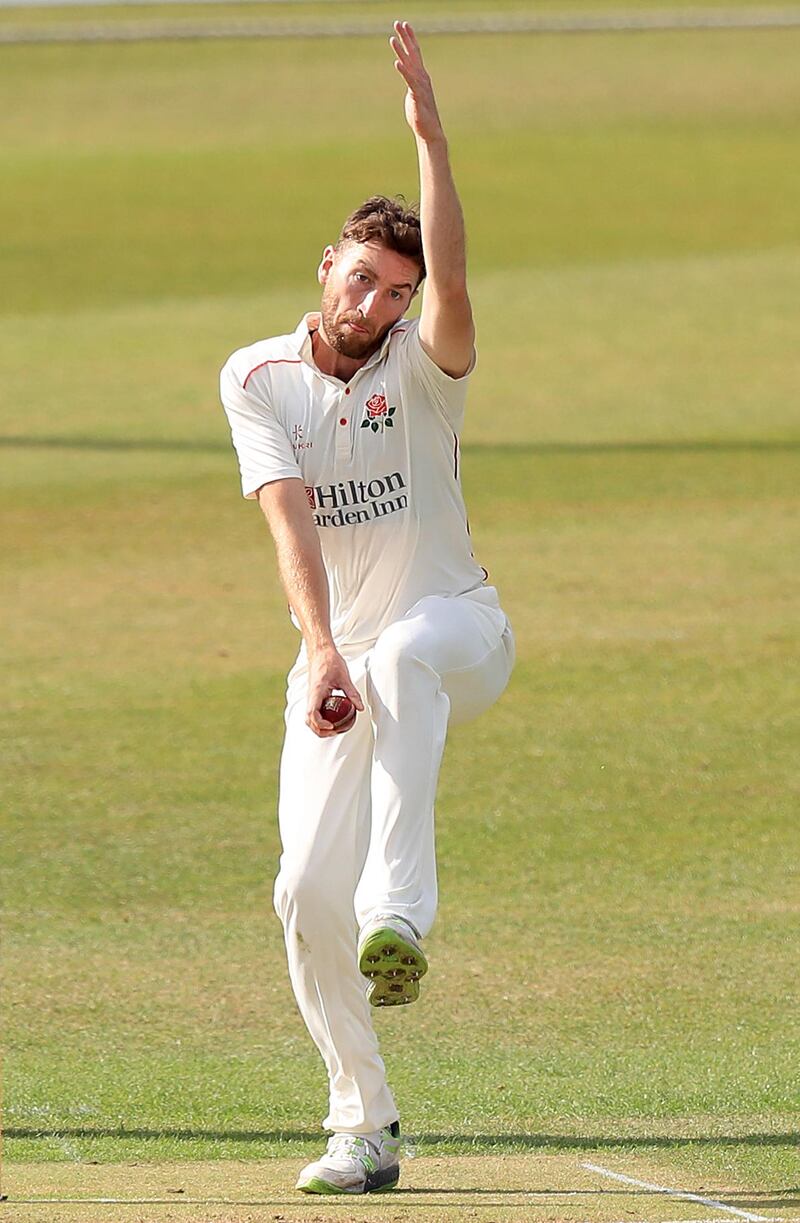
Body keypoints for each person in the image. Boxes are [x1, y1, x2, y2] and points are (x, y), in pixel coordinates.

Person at [219, 20, 514, 1196]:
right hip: (333, 653)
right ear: (326, 264)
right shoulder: (258, 378)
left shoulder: (421, 369)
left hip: (460, 629)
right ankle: (364, 1121)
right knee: (298, 891)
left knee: (403, 658)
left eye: (398, 290)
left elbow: (448, 269)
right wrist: (318, 650)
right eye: (364, 278)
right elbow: (287, 520)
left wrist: (433, 143)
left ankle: (403, 914)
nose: (378, 301)